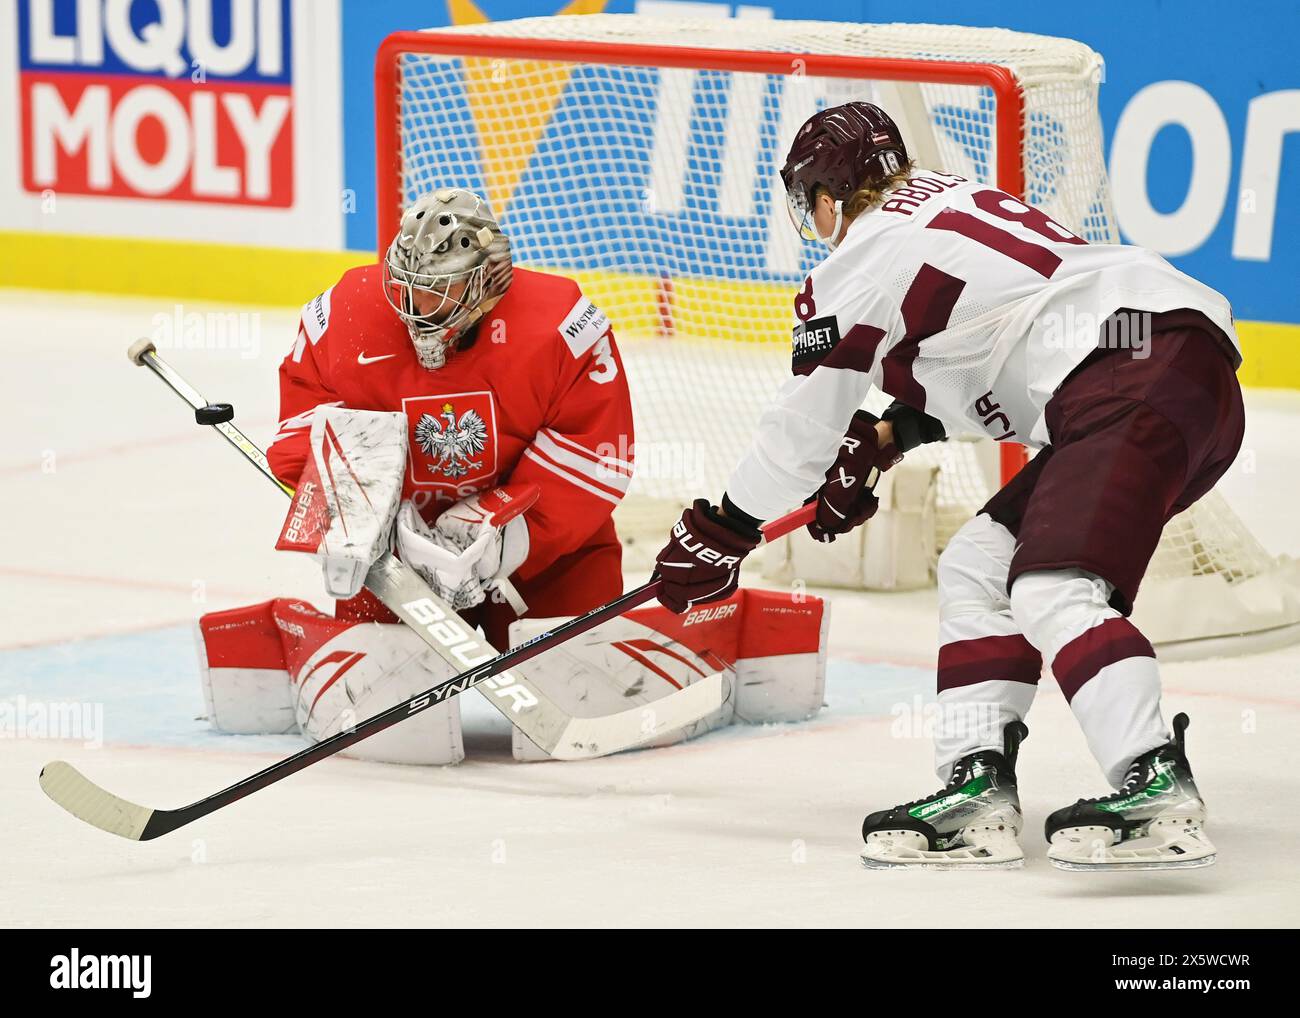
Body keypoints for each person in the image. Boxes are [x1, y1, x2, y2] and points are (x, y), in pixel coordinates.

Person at [652, 102, 1241, 871]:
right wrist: (892, 434)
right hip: (1168, 368)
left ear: (828, 198)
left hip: (1131, 373)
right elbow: (1000, 340)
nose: (814, 220)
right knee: (980, 566)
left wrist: (722, 528)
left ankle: (1154, 779)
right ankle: (977, 786)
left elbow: (799, 434)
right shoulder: (944, 196)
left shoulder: (857, 258)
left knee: (1052, 584)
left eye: (810, 205)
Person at [196, 188, 636, 765]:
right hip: (397, 565)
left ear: (486, 283)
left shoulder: (563, 324)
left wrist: (499, 539)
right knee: (388, 718)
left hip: (540, 557)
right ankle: (301, 643)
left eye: (436, 290)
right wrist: (361, 521)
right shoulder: (344, 314)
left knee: (586, 682)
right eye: (404, 286)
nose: (413, 307)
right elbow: (305, 427)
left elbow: (595, 450)